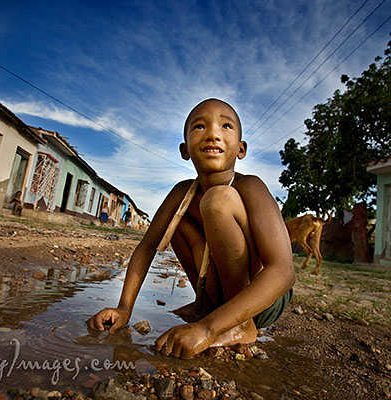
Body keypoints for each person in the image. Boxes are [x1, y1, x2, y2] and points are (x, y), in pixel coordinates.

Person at [87, 98, 295, 359]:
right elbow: (147, 246)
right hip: (220, 298)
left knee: (219, 200)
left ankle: (239, 324)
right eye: (199, 127)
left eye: (226, 126)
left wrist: (207, 331)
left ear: (241, 149)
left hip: (263, 298)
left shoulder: (251, 186)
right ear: (184, 150)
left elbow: (283, 272)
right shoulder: (181, 193)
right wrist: (124, 309)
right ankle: (209, 308)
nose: (213, 134)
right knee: (179, 220)